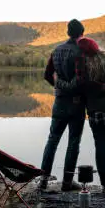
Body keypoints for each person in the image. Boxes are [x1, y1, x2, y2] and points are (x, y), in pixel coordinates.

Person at [57, 37, 105, 193]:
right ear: (96, 47)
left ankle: (104, 185)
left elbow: (80, 87)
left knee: (100, 148)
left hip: (94, 112)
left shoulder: (81, 67)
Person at [39, 19, 86, 191]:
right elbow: (81, 81)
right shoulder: (81, 52)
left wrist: (58, 87)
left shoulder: (56, 50)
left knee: (52, 140)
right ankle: (67, 182)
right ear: (82, 34)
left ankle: (43, 180)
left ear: (68, 33)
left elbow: (47, 75)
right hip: (76, 104)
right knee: (73, 143)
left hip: (59, 102)